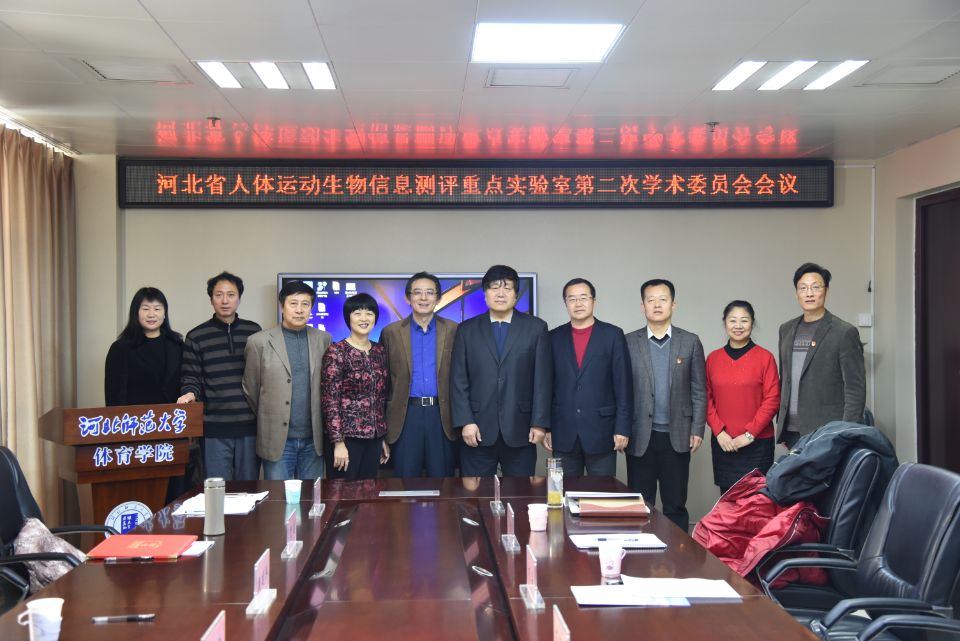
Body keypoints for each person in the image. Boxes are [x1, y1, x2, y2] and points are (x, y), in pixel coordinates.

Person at [450, 264, 551, 477]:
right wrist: (465, 421)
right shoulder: (466, 330)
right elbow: (458, 380)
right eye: (494, 287)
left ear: (516, 294)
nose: (500, 293)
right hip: (476, 429)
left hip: (521, 428)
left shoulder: (536, 328)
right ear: (485, 293)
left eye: (507, 288)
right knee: (475, 493)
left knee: (520, 492)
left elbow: (542, 380)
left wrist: (539, 423)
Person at [624, 278, 706, 532]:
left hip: (677, 434)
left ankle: (679, 553)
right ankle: (639, 552)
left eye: (663, 299)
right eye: (651, 300)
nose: (657, 305)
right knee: (640, 504)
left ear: (673, 305)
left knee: (675, 505)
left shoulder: (690, 341)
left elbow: (699, 389)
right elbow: (621, 391)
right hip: (640, 435)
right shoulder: (628, 342)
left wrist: (697, 429)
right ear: (642, 306)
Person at [177, 271, 262, 481]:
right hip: (214, 427)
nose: (225, 301)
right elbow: (191, 376)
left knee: (248, 489)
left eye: (231, 295)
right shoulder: (196, 336)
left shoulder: (254, 332)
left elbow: (263, 376)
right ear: (211, 299)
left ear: (239, 298)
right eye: (219, 295)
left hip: (249, 426)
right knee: (216, 490)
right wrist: (189, 393)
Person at [243, 280, 330, 480]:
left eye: (305, 304)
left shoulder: (323, 339)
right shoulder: (259, 342)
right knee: (278, 497)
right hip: (277, 440)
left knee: (312, 497)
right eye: (293, 303)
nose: (299, 310)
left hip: (313, 440)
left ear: (311, 308)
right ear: (282, 306)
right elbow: (251, 389)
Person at [545, 278, 632, 477]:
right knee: (562, 492)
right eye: (572, 299)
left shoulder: (613, 335)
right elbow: (546, 385)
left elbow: (624, 386)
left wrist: (623, 428)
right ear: (566, 303)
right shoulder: (552, 338)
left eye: (583, 298)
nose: (578, 303)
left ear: (594, 301)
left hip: (602, 431)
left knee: (602, 493)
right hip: (563, 432)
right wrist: (546, 427)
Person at [777, 263, 866, 449]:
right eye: (803, 288)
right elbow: (785, 379)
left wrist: (846, 433)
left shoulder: (844, 332)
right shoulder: (786, 329)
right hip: (791, 430)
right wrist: (783, 425)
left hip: (828, 432)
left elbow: (855, 390)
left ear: (826, 291)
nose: (809, 293)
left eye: (816, 287)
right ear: (796, 293)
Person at [380, 272, 459, 478]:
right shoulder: (391, 332)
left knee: (443, 481)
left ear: (438, 298)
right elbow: (383, 382)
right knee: (405, 481)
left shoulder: (453, 330)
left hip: (442, 415)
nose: (423, 298)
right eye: (417, 293)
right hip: (406, 415)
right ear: (408, 298)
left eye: (430, 293)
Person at [705, 301, 780, 493]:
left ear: (752, 323)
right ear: (725, 323)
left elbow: (772, 400)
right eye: (733, 320)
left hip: (757, 444)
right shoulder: (713, 359)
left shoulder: (765, 358)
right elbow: (705, 398)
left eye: (744, 320)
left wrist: (749, 434)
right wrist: (719, 432)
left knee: (756, 502)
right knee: (727, 500)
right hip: (724, 443)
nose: (738, 326)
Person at [322, 293, 390, 480]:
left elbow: (381, 397)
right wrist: (338, 442)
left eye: (369, 313)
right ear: (348, 317)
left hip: (374, 438)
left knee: (368, 492)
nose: (364, 318)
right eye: (357, 313)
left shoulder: (380, 351)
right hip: (347, 439)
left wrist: (381, 436)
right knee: (342, 493)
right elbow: (330, 401)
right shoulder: (337, 351)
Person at [104, 286, 183, 406]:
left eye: (157, 309)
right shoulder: (120, 348)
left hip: (172, 416)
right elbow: (114, 396)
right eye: (145, 309)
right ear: (136, 312)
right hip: (137, 417)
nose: (151, 314)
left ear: (164, 313)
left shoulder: (177, 345)